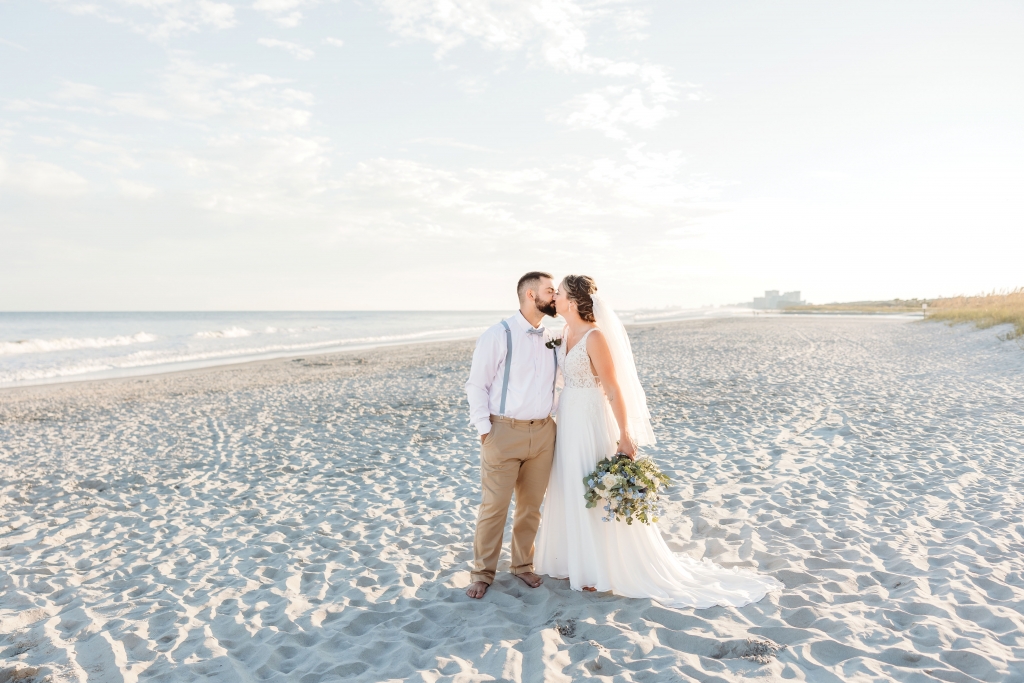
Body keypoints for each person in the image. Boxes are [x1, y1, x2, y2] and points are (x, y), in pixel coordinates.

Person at [534, 274, 783, 608]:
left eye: (560, 293)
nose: (556, 298)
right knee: (569, 485)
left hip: (591, 418)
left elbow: (612, 388)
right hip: (568, 417)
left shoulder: (595, 337)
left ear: (575, 301)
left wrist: (625, 435)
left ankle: (597, 567)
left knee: (589, 487)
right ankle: (572, 560)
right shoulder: (564, 332)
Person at [464, 271, 560, 600]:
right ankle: (482, 573)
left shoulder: (554, 337)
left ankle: (522, 565)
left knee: (531, 507)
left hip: (543, 432)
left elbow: (557, 384)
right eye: (550, 291)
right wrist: (485, 430)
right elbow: (477, 384)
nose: (555, 296)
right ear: (531, 295)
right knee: (494, 507)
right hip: (503, 431)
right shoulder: (498, 334)